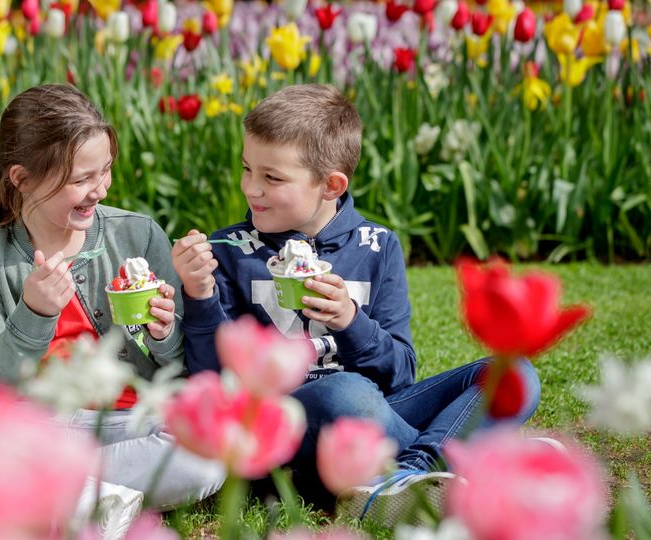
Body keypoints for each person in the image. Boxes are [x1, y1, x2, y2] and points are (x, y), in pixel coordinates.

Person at [171, 84, 540, 523]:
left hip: (377, 414)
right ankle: (463, 457)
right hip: (284, 426)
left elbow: (401, 372)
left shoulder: (378, 245)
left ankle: (410, 474)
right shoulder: (229, 250)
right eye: (248, 168)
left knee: (515, 373)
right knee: (342, 391)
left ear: (331, 185)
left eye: (272, 177)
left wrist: (351, 321)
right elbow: (214, 379)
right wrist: (200, 295)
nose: (252, 187)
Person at [0, 83, 224, 511]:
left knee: (207, 453)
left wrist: (165, 332)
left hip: (131, 421)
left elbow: (183, 370)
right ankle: (88, 490)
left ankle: (53, 484)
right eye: (81, 179)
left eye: (105, 170)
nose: (100, 189)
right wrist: (34, 314)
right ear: (21, 179)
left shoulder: (136, 234)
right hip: (37, 424)